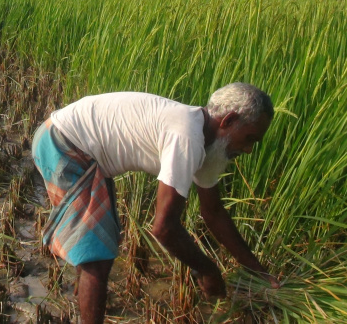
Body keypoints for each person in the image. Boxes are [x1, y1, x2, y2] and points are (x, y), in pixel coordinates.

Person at [32, 83, 280, 323]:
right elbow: (164, 228)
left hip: (72, 143)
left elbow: (213, 212)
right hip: (63, 142)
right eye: (249, 138)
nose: (248, 149)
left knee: (97, 244)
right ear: (228, 121)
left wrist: (257, 271)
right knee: (97, 258)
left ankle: (83, 298)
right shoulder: (186, 136)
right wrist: (208, 271)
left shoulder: (210, 145)